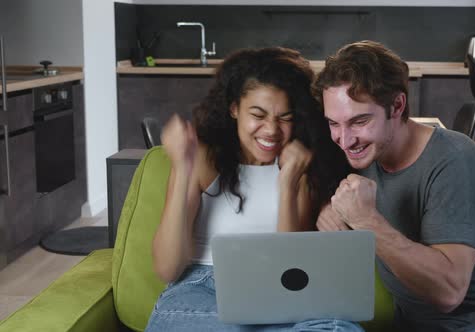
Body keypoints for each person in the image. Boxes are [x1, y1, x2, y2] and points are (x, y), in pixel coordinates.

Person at [313, 40, 475, 332]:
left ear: (397, 105)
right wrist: (324, 208)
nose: (344, 139)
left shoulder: (456, 161)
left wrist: (366, 220)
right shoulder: (360, 152)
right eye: (333, 123)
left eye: (359, 121)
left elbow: (449, 293)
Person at [145, 47, 359, 332]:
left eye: (285, 117)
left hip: (277, 287)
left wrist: (288, 183)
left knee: (339, 326)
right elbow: (168, 269)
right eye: (257, 114)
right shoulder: (201, 160)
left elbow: (289, 269)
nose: (271, 130)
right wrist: (182, 168)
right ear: (234, 108)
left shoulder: (301, 164)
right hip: (203, 289)